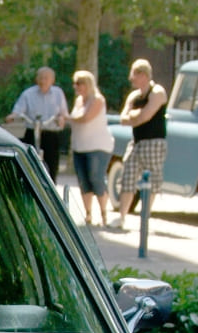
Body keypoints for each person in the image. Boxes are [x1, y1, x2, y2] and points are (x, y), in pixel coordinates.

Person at [113, 58, 167, 229]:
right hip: (136, 142)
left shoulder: (157, 92)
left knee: (152, 179)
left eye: (134, 75)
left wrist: (134, 116)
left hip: (154, 142)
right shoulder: (134, 96)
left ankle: (146, 217)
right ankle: (121, 217)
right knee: (127, 177)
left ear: (143, 75)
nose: (131, 79)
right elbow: (123, 119)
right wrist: (137, 115)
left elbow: (147, 116)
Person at [68, 69, 114, 226]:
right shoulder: (78, 101)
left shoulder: (98, 100)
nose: (77, 87)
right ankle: (88, 214)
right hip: (80, 146)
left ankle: (104, 214)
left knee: (96, 177)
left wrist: (68, 118)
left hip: (97, 146)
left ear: (87, 84)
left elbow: (86, 118)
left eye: (80, 83)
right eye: (75, 83)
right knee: (83, 180)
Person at [7, 67, 69, 181]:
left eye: (46, 78)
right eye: (40, 78)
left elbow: (64, 113)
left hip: (50, 133)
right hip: (32, 131)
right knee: (27, 162)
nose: (43, 81)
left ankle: (50, 191)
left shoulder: (58, 93)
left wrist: (61, 118)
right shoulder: (28, 94)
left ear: (52, 80)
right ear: (36, 79)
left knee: (52, 166)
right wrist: (13, 116)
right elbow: (18, 110)